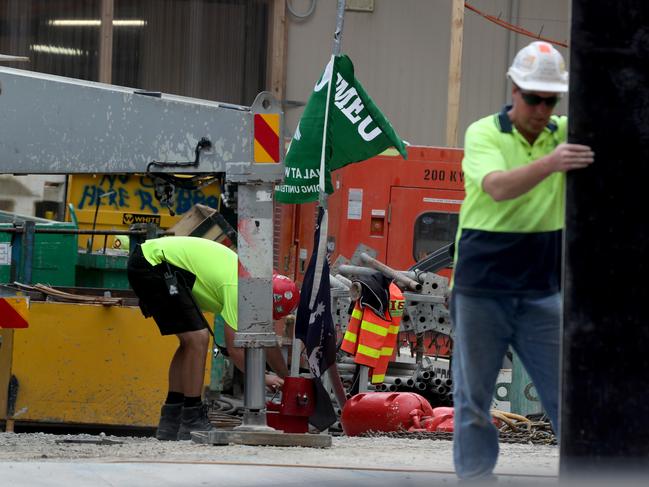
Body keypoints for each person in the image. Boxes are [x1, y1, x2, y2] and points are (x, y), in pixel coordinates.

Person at [450, 41, 594, 481]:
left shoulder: (563, 133)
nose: (541, 108)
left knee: (567, 396)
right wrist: (552, 164)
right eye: (533, 97)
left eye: (551, 100)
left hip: (540, 291)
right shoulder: (484, 134)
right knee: (474, 400)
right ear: (514, 89)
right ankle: (476, 477)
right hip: (482, 290)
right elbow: (497, 187)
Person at [127, 235, 296, 441]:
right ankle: (191, 417)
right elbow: (235, 349)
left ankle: (171, 420)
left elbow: (266, 339)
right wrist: (263, 378)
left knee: (189, 343)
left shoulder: (253, 283)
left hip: (152, 261)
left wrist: (287, 378)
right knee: (198, 339)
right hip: (154, 264)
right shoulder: (238, 289)